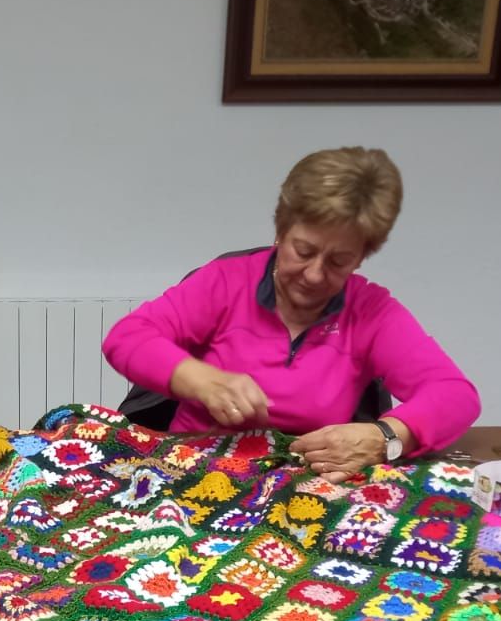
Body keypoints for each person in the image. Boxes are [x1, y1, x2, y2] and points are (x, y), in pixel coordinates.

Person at [102, 146, 479, 482]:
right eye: (304, 250)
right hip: (195, 470)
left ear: (363, 256)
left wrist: (387, 437)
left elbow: (455, 395)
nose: (315, 274)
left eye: (338, 261)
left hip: (305, 487)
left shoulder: (370, 312)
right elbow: (128, 337)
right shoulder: (226, 283)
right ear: (280, 231)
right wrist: (201, 380)